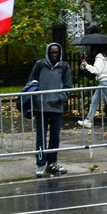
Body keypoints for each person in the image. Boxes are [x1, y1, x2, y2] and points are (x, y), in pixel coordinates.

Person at [29, 42, 72, 176]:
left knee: (55, 137)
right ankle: (40, 164)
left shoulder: (64, 66)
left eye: (56, 52)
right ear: (48, 52)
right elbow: (32, 82)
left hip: (56, 107)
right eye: (52, 52)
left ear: (59, 53)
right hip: (41, 106)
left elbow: (68, 86)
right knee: (41, 137)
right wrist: (35, 98)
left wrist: (61, 98)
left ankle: (52, 163)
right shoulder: (40, 65)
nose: (54, 54)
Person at [78, 43, 107, 129]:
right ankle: (88, 120)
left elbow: (97, 70)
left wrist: (87, 66)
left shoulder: (100, 57)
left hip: (104, 81)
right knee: (95, 99)